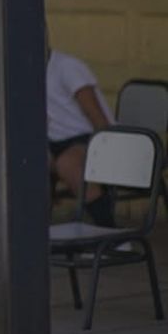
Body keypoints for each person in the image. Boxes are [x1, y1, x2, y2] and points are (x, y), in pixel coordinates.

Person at [47, 37, 116, 226]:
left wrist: (105, 153)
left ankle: (111, 234)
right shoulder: (25, 70)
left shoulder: (66, 67)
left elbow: (97, 118)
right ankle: (38, 233)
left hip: (90, 137)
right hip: (52, 141)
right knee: (26, 161)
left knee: (68, 164)